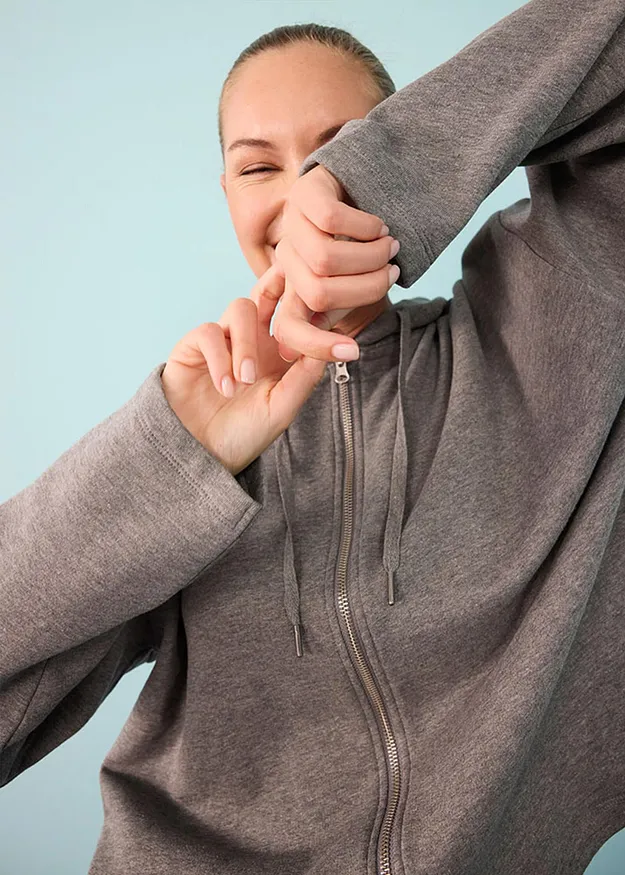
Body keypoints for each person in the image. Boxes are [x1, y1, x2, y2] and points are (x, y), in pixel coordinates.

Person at [2, 1, 625, 873]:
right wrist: (173, 459)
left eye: (338, 152)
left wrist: (380, 176)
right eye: (260, 168)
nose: (301, 198)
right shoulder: (186, 435)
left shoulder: (546, 323)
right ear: (227, 198)